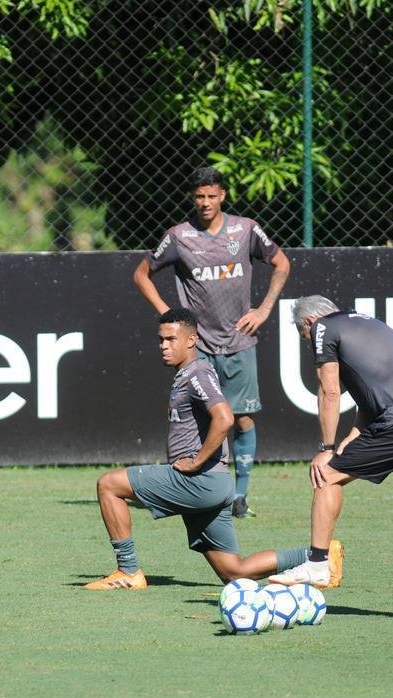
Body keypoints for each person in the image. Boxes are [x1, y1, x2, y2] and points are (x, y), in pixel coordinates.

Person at [84, 308, 339, 590]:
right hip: (214, 484)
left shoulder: (198, 373)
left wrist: (195, 462)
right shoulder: (189, 374)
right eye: (160, 340)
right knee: (234, 572)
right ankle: (318, 557)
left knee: (109, 484)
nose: (163, 346)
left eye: (171, 339)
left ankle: (128, 571)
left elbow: (225, 418)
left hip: (199, 481)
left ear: (191, 340)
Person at [269, 296, 393, 628]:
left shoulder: (323, 329)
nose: (308, 343)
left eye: (304, 337)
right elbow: (375, 390)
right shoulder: (369, 322)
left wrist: (327, 446)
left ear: (309, 323)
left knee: (326, 474)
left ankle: (316, 562)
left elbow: (329, 391)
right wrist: (354, 433)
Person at [133, 166, 291, 519]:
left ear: (222, 196)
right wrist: (171, 316)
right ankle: (198, 489)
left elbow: (282, 263)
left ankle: (240, 495)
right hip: (198, 346)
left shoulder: (246, 229)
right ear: (194, 198)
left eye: (211, 196)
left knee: (243, 419)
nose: (205, 202)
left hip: (239, 339)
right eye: (199, 196)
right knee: (201, 418)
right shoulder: (178, 236)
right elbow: (141, 274)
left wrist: (263, 310)